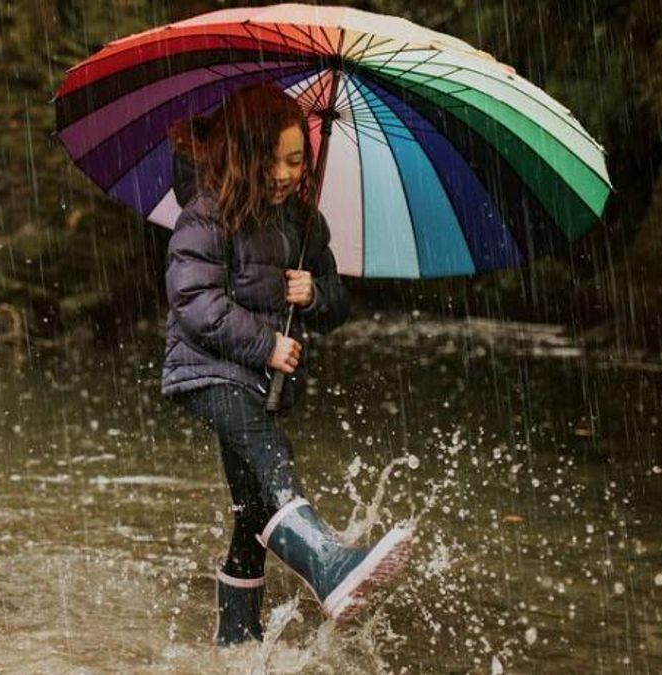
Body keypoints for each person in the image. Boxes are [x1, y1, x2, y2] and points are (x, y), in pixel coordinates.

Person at [162, 84, 413, 645]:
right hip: (208, 372)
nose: (283, 174)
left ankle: (236, 638)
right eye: (270, 160)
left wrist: (314, 294)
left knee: (253, 507)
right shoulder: (206, 214)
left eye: (296, 161)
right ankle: (326, 562)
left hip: (259, 380)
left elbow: (338, 305)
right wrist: (266, 345)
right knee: (269, 453)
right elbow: (194, 301)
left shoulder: (303, 223)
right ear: (243, 155)